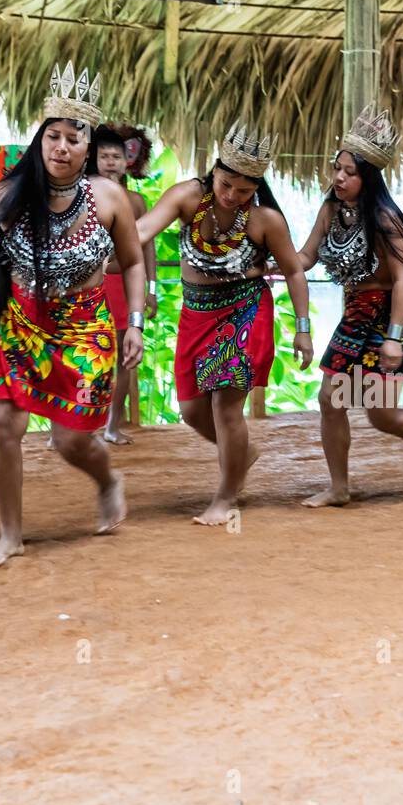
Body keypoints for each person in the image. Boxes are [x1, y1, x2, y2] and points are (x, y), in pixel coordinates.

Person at [0, 61, 147, 568]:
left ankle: (106, 479)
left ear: (89, 149)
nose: (62, 147)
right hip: (21, 325)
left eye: (74, 139)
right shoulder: (11, 192)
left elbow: (134, 261)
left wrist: (136, 322)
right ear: (40, 141)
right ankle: (10, 534)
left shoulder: (109, 198)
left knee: (71, 440)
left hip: (84, 329)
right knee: (2, 425)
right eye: (53, 136)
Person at [136, 122, 314, 524]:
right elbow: (143, 230)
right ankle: (240, 457)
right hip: (195, 312)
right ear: (213, 172)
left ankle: (225, 497)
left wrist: (302, 329)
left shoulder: (264, 220)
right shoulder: (186, 196)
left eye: (244, 190)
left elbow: (294, 272)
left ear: (257, 189)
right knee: (190, 410)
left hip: (245, 309)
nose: (232, 196)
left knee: (225, 404)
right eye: (225, 184)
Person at [289, 105, 403, 507]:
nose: (340, 178)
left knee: (382, 414)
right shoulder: (330, 210)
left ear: (368, 177)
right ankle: (339, 488)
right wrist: (269, 262)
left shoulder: (386, 218)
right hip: (356, 313)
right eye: (337, 169)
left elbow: (402, 280)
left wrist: (394, 339)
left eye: (350, 172)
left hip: (393, 314)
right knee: (330, 398)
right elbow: (306, 256)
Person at [89, 124, 158, 444]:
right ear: (93, 158)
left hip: (123, 286)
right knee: (81, 353)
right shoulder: (81, 194)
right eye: (104, 156)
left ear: (127, 160)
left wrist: (151, 290)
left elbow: (147, 249)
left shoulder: (137, 201)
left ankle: (112, 426)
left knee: (123, 357)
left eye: (116, 156)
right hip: (88, 285)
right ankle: (72, 426)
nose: (111, 162)